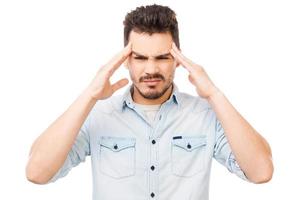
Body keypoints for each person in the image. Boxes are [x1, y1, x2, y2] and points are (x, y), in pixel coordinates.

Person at [26, 4, 273, 200]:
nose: (151, 69)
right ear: (125, 60)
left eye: (163, 57)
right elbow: (37, 173)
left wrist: (214, 94)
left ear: (178, 58)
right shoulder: (99, 115)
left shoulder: (205, 115)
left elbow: (261, 172)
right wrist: (89, 94)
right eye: (140, 57)